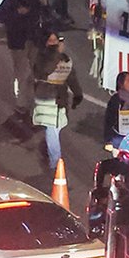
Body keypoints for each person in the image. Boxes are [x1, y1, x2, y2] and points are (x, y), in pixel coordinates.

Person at [0, 0, 48, 113]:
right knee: (21, 72)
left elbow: (46, 15)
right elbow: (0, 16)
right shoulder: (11, 0)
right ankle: (21, 102)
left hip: (34, 39)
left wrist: (44, 4)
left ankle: (31, 98)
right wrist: (16, 13)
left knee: (34, 72)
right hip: (18, 41)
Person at [31, 29, 83, 174]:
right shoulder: (41, 57)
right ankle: (55, 162)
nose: (55, 44)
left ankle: (52, 156)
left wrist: (78, 94)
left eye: (57, 41)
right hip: (47, 98)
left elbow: (71, 77)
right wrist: (56, 54)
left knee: (56, 128)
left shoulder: (64, 58)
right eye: (51, 41)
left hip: (60, 100)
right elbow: (45, 70)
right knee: (52, 130)